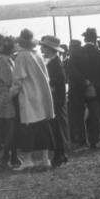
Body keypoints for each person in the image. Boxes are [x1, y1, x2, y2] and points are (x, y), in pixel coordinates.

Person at [10, 29, 56, 172]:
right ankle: (45, 158)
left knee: (28, 128)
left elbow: (18, 78)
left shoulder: (21, 56)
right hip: (42, 94)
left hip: (28, 95)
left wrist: (12, 93)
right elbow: (46, 76)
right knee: (42, 126)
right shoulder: (38, 55)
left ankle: (28, 160)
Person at [70, 28, 100, 148]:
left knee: (79, 115)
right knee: (94, 115)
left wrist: (84, 81)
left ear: (85, 39)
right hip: (97, 89)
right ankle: (93, 140)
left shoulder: (76, 53)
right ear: (95, 39)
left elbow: (72, 71)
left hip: (79, 88)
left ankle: (82, 140)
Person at [40, 35, 68, 168]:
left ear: (50, 49)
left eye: (43, 47)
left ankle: (60, 155)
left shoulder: (55, 64)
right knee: (57, 128)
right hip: (56, 99)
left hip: (56, 100)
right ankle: (61, 154)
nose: (41, 48)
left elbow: (57, 83)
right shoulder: (53, 62)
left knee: (57, 128)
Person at [0, 37, 18, 168]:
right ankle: (7, 156)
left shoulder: (4, 60)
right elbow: (8, 80)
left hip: (4, 96)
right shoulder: (4, 61)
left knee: (9, 128)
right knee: (11, 128)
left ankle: (12, 156)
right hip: (7, 96)